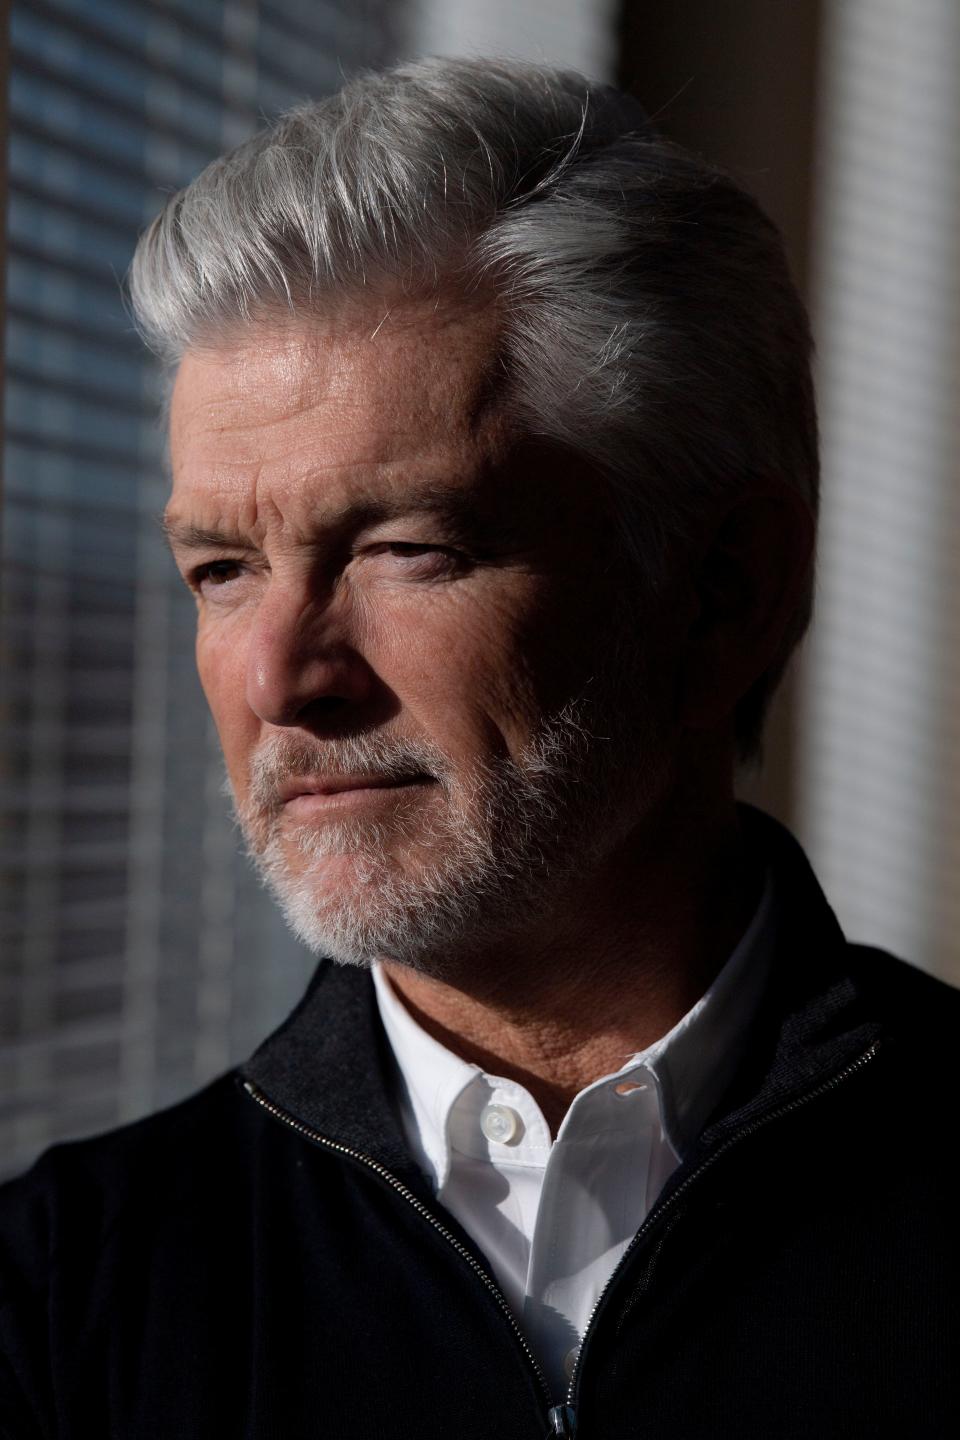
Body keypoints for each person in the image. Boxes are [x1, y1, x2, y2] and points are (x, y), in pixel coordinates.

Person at [1, 56, 957, 1440]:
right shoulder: (59, 1306)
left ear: (726, 587)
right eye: (220, 569)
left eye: (406, 548)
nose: (278, 675)